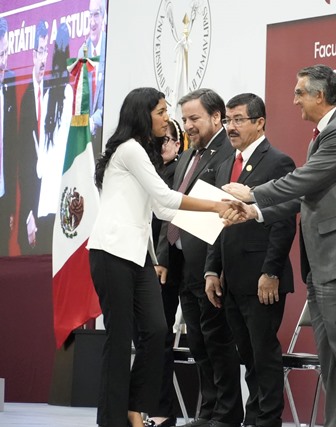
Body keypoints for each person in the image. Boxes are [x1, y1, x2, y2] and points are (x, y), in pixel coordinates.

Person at [223, 64, 336, 427]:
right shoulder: (324, 132)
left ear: (319, 95)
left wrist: (253, 193)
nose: (294, 101)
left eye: (299, 93)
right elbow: (306, 197)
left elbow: (302, 180)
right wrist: (255, 213)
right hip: (323, 263)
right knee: (332, 360)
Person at [87, 87, 242, 427]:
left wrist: (217, 213)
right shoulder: (130, 149)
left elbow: (162, 209)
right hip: (111, 251)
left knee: (157, 331)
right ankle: (113, 419)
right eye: (160, 111)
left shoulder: (142, 152)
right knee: (119, 338)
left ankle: (133, 406)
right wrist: (217, 206)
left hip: (137, 255)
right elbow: (166, 199)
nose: (167, 118)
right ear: (142, 115)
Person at [204, 93, 297, 427]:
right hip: (231, 278)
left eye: (239, 119)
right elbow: (219, 219)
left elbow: (284, 221)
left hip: (261, 279)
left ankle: (268, 420)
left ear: (260, 123)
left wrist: (271, 271)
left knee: (263, 354)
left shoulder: (279, 162)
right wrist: (212, 269)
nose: (231, 127)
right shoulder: (226, 164)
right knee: (247, 355)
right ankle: (254, 416)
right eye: (228, 120)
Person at [155, 88, 243, 427]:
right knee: (198, 343)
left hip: (209, 264)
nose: (188, 125)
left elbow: (224, 215)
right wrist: (164, 255)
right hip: (181, 265)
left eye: (194, 118)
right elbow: (171, 207)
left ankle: (226, 414)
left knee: (216, 341)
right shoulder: (189, 155)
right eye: (185, 119)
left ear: (216, 117)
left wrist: (213, 268)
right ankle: (207, 412)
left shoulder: (228, 154)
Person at [146, 118, 184, 427]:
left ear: (178, 143)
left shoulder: (179, 172)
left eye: (167, 140)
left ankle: (162, 411)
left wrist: (161, 259)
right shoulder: (150, 173)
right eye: (157, 141)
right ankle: (154, 408)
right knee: (151, 336)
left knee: (160, 336)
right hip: (147, 262)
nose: (162, 146)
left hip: (170, 264)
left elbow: (169, 219)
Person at [38, 22, 73, 238]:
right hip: (60, 188)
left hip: (47, 193)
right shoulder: (68, 93)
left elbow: (40, 162)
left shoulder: (47, 96)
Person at [18, 19, 49, 254]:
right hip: (29, 205)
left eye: (46, 50)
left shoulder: (51, 93)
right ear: (33, 54)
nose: (44, 57)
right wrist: (29, 211)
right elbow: (21, 160)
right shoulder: (24, 97)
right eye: (40, 51)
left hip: (47, 204)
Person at [79, 0, 107, 160]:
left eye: (96, 15)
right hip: (85, 140)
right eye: (90, 15)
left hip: (105, 134)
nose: (92, 22)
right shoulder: (82, 52)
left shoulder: (110, 47)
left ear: (103, 17)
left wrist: (94, 120)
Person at [0, 17, 17, 256]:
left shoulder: (11, 81)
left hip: (3, 194)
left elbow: (13, 147)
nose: (2, 62)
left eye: (5, 54)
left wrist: (12, 204)